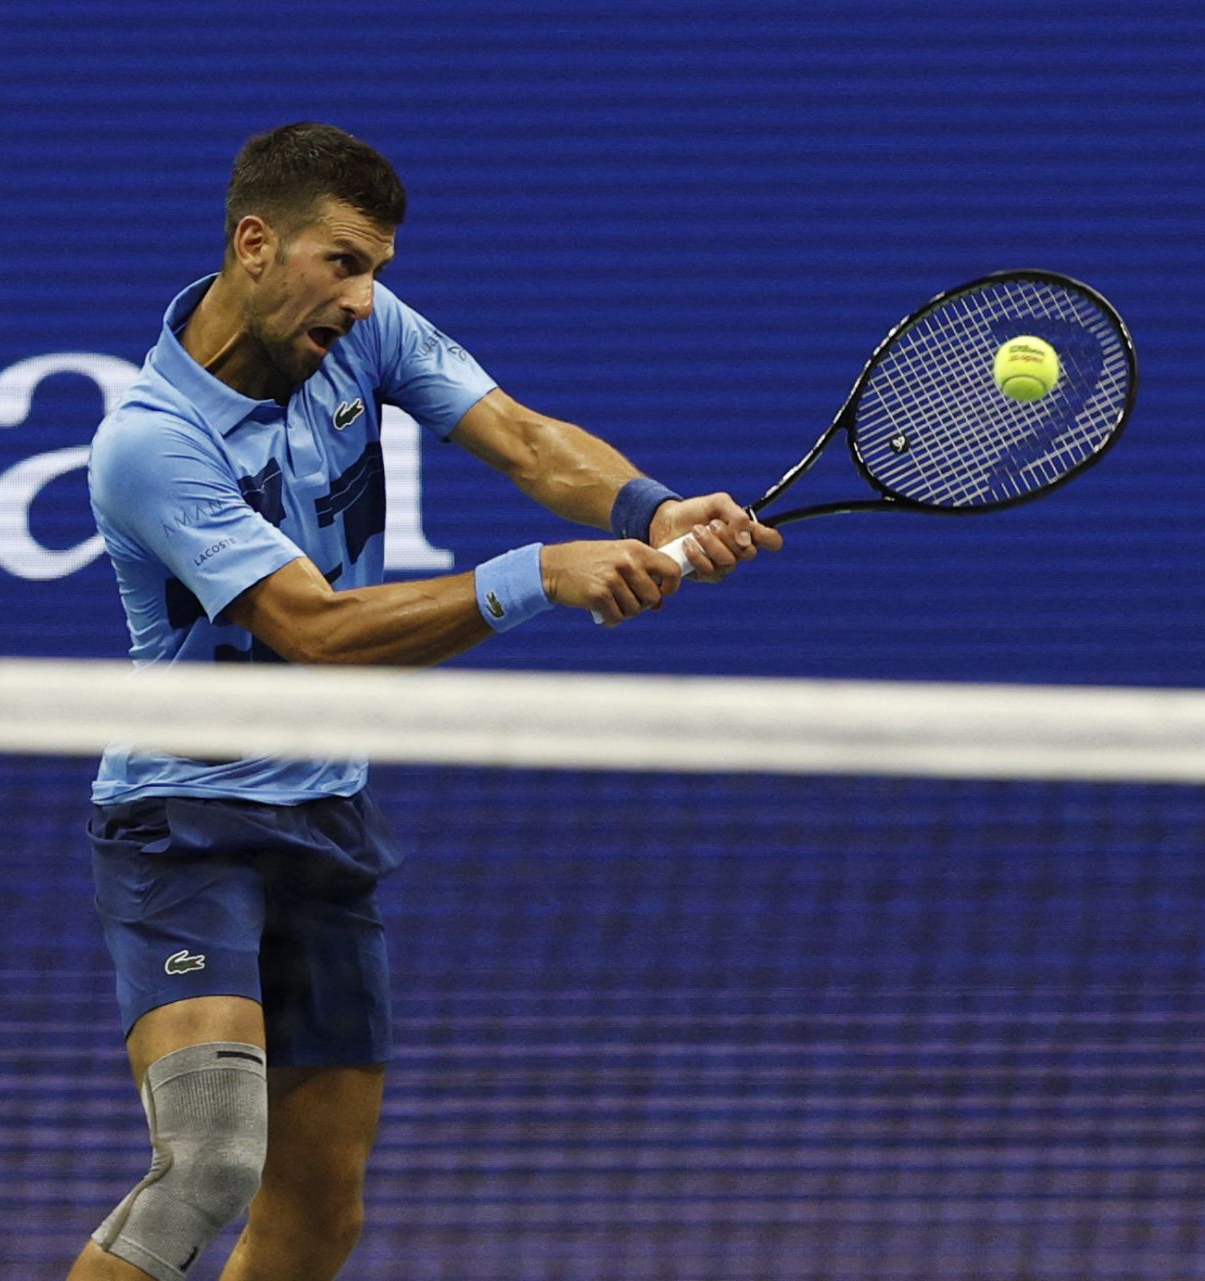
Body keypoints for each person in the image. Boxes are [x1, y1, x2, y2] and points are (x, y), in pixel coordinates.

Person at [67, 121, 781, 1281]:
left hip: (326, 816)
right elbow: (315, 632)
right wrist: (540, 576)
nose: (362, 297)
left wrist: (648, 511)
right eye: (341, 263)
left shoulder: (361, 334)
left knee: (317, 1216)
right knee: (205, 1168)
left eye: (376, 271)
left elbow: (524, 440)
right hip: (183, 829)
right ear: (257, 243)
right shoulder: (150, 445)